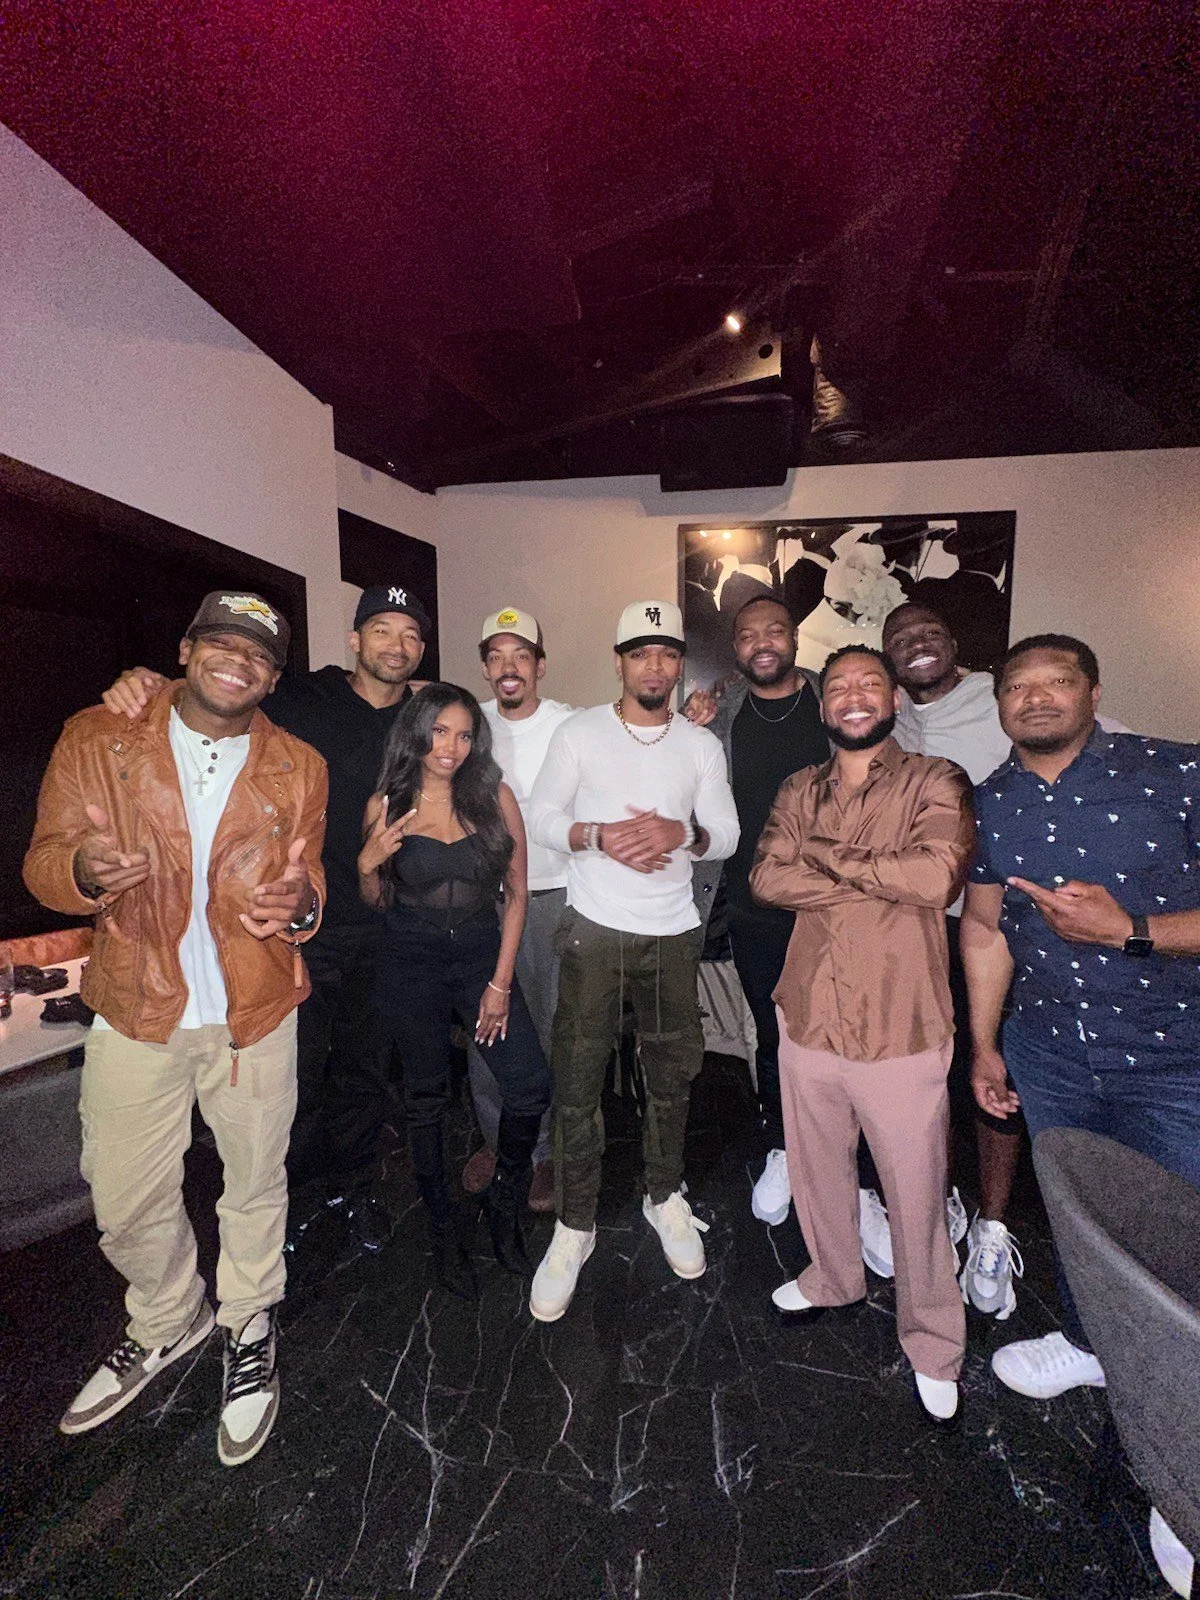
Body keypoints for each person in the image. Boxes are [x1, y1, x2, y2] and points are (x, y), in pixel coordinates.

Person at [24, 592, 327, 1466]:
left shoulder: (298, 764)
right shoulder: (100, 735)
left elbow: (310, 879)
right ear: (187, 648)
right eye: (222, 644)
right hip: (137, 1007)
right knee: (121, 1193)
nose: (239, 663)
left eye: (260, 654)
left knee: (254, 1181)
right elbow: (44, 862)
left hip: (254, 1010)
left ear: (273, 675)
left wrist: (301, 905)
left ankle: (246, 1321)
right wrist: (82, 868)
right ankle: (167, 1317)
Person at [101, 584, 432, 1254]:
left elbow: (473, 738)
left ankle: (350, 1191)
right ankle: (283, 1208)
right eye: (382, 630)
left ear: (421, 651)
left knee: (366, 1074)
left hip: (389, 925)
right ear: (355, 639)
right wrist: (143, 684)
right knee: (295, 1081)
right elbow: (217, 693)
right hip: (296, 928)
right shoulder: (301, 698)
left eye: (410, 636)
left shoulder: (427, 714)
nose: (395, 646)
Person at [962, 634, 1200, 1407]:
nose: (1034, 696)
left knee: (1179, 1237)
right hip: (1052, 1049)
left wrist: (1132, 930)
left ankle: (1180, 1451)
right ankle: (1090, 1342)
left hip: (1175, 1053)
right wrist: (987, 1045)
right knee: (1081, 1215)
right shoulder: (991, 799)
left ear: (1094, 693)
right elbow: (987, 929)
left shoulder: (1179, 773)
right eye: (1016, 688)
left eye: (1056, 680)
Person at [751, 644, 975, 1425]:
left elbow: (933, 878)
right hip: (808, 1010)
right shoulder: (795, 786)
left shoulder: (935, 779)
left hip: (901, 1020)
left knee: (915, 1191)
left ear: (890, 700)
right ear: (823, 707)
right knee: (817, 1168)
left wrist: (825, 857)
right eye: (838, 686)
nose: (852, 696)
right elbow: (765, 877)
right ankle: (832, 1278)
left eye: (867, 684)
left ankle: (934, 1340)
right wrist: (873, 867)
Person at [526, 600, 739, 1322]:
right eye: (641, 653)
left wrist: (683, 830)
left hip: (673, 933)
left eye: (668, 654)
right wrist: (596, 836)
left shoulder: (700, 747)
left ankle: (663, 1195)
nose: (656, 666)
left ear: (680, 664)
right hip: (594, 931)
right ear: (619, 662)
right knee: (579, 1077)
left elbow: (730, 833)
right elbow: (539, 820)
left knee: (672, 1072)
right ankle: (574, 1225)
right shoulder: (579, 733)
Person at [358, 684, 552, 1299]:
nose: (452, 746)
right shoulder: (385, 804)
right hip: (408, 961)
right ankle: (444, 1227)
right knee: (425, 1100)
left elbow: (517, 895)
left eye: (465, 734)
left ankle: (504, 1202)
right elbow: (377, 903)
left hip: (477, 961)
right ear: (416, 733)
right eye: (440, 731)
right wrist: (366, 864)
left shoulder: (494, 798)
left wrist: (499, 983)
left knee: (528, 1084)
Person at [689, 597, 826, 1228]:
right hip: (752, 907)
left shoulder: (837, 702)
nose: (762, 643)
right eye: (748, 635)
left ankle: (848, 1169)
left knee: (847, 1040)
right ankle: (785, 1147)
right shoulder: (720, 715)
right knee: (773, 1036)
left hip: (838, 909)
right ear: (736, 648)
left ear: (795, 638)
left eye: (776, 629)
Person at [461, 609, 575, 1211]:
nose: (509, 667)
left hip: (553, 899)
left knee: (552, 1030)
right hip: (483, 899)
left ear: (539, 665)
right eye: (497, 656)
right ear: (485, 667)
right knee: (488, 1027)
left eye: (521, 655)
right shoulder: (466, 726)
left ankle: (545, 1152)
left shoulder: (573, 725)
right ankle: (496, 1138)